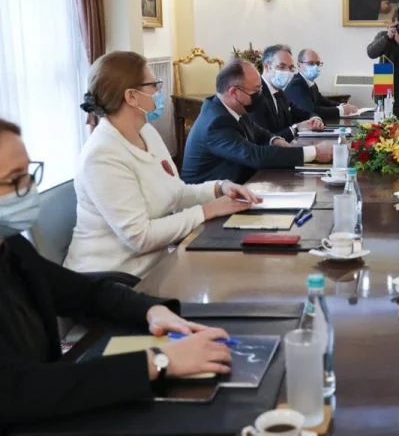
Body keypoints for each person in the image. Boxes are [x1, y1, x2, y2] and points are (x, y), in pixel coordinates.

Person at [0, 118, 234, 427]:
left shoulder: (12, 246)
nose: (28, 189)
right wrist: (159, 361)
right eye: (14, 180)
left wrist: (150, 310)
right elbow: (18, 391)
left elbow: (85, 293)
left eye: (28, 175)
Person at [66, 51, 259, 278]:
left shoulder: (146, 132)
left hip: (157, 264)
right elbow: (140, 237)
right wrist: (207, 211)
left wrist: (219, 188)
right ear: (132, 96)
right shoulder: (102, 156)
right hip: (114, 278)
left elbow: (175, 193)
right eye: (153, 85)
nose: (159, 92)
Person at [181, 59, 333, 184]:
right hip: (211, 200)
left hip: (238, 185)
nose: (260, 95)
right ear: (234, 92)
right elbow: (255, 156)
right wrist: (314, 152)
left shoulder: (232, 108)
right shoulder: (216, 123)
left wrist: (274, 140)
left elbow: (257, 132)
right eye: (256, 91)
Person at [248, 44, 325, 143]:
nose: (287, 72)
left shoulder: (279, 92)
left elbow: (301, 113)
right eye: (282, 66)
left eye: (291, 68)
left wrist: (315, 118)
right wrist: (296, 129)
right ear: (267, 67)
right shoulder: (256, 95)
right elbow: (263, 141)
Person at [284, 49, 359, 121]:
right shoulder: (296, 85)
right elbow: (311, 110)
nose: (315, 67)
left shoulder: (311, 83)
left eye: (317, 63)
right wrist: (341, 110)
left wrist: (342, 105)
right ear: (299, 65)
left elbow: (324, 101)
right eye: (311, 63)